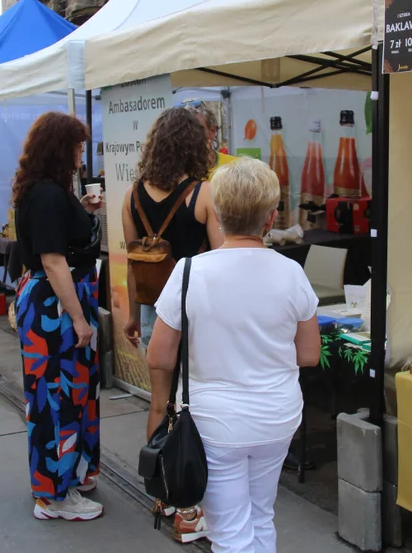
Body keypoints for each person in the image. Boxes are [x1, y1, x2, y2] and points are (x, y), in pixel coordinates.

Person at [147, 157, 321, 553]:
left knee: (229, 533)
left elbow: (158, 356)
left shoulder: (190, 272)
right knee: (261, 516)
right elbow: (309, 354)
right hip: (278, 415)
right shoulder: (291, 271)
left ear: (218, 215)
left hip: (215, 419)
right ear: (271, 217)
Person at [121, 107, 224, 543]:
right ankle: (189, 509)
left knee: (160, 403)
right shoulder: (203, 194)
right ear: (193, 146)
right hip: (196, 312)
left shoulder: (130, 196)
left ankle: (161, 493)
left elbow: (131, 260)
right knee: (196, 406)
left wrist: (130, 315)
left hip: (154, 311)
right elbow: (223, 261)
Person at [12, 112, 105, 522]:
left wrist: (81, 210)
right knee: (57, 397)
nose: (81, 154)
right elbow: (53, 260)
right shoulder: (48, 195)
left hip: (59, 303)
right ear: (60, 149)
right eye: (77, 146)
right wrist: (80, 320)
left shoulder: (47, 191)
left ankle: (70, 476)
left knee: (73, 394)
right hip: (56, 308)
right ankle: (52, 495)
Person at [179, 100, 238, 178]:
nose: (191, 136)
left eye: (198, 129)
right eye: (185, 130)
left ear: (212, 131)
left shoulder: (235, 167)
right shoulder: (176, 173)